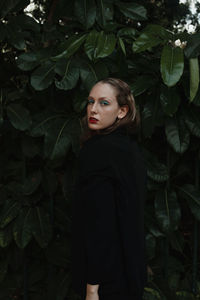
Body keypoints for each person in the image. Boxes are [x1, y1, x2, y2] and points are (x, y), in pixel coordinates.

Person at [71, 78, 147, 300]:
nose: (93, 109)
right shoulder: (129, 150)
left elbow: (100, 225)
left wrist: (92, 287)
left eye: (104, 103)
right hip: (130, 272)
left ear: (122, 111)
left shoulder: (97, 153)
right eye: (90, 101)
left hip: (105, 280)